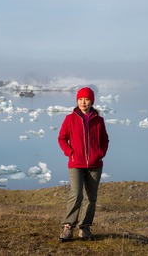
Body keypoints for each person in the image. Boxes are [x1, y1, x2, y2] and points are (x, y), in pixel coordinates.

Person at [57, 87, 109, 242]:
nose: (83, 102)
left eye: (86, 99)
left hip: (95, 164)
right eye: (80, 99)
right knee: (76, 194)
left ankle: (84, 227)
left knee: (91, 197)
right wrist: (70, 152)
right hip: (76, 163)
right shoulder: (70, 119)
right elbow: (62, 138)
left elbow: (105, 139)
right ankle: (68, 227)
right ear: (77, 101)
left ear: (91, 101)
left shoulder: (98, 120)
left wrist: (101, 153)